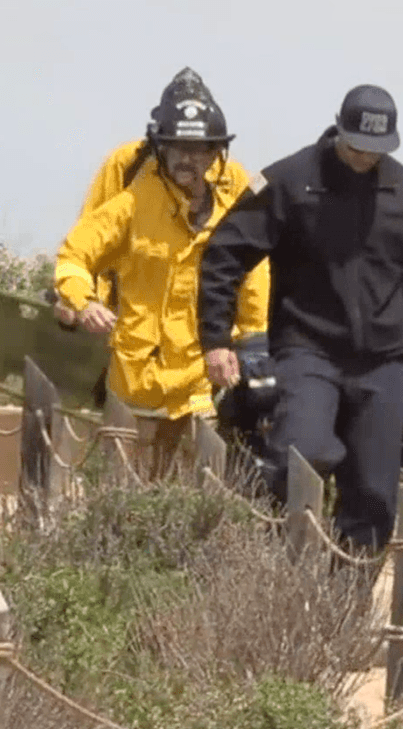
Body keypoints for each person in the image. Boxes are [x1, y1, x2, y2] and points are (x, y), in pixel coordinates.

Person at [198, 83, 403, 557]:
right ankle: (276, 573)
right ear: (339, 129)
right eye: (357, 146)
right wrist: (216, 338)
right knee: (303, 455)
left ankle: (343, 613)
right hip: (308, 348)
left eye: (377, 150)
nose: (365, 157)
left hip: (386, 361)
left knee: (374, 492)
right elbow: (225, 254)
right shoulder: (291, 180)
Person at [54, 73, 271, 479]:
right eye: (178, 149)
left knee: (195, 490)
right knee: (122, 491)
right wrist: (83, 302)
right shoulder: (134, 202)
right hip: (136, 378)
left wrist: (250, 345)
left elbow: (253, 281)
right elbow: (75, 253)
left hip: (201, 379)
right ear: (161, 148)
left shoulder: (233, 208)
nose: (188, 159)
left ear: (214, 155)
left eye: (199, 149)